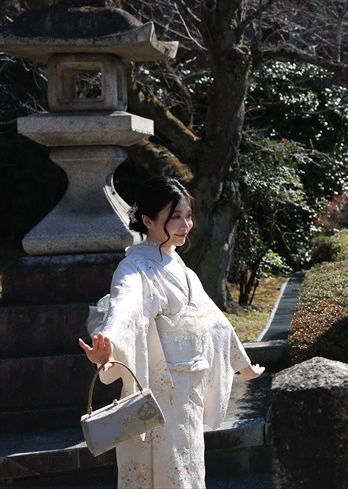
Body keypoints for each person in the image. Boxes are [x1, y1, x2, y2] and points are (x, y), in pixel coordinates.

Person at [79, 176, 264, 488]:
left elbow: (214, 320)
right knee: (163, 470)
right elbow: (124, 306)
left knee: (188, 466)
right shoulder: (135, 267)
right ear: (148, 220)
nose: (185, 224)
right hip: (160, 387)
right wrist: (108, 344)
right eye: (174, 217)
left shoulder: (181, 267)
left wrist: (242, 365)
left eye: (187, 215)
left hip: (187, 387)